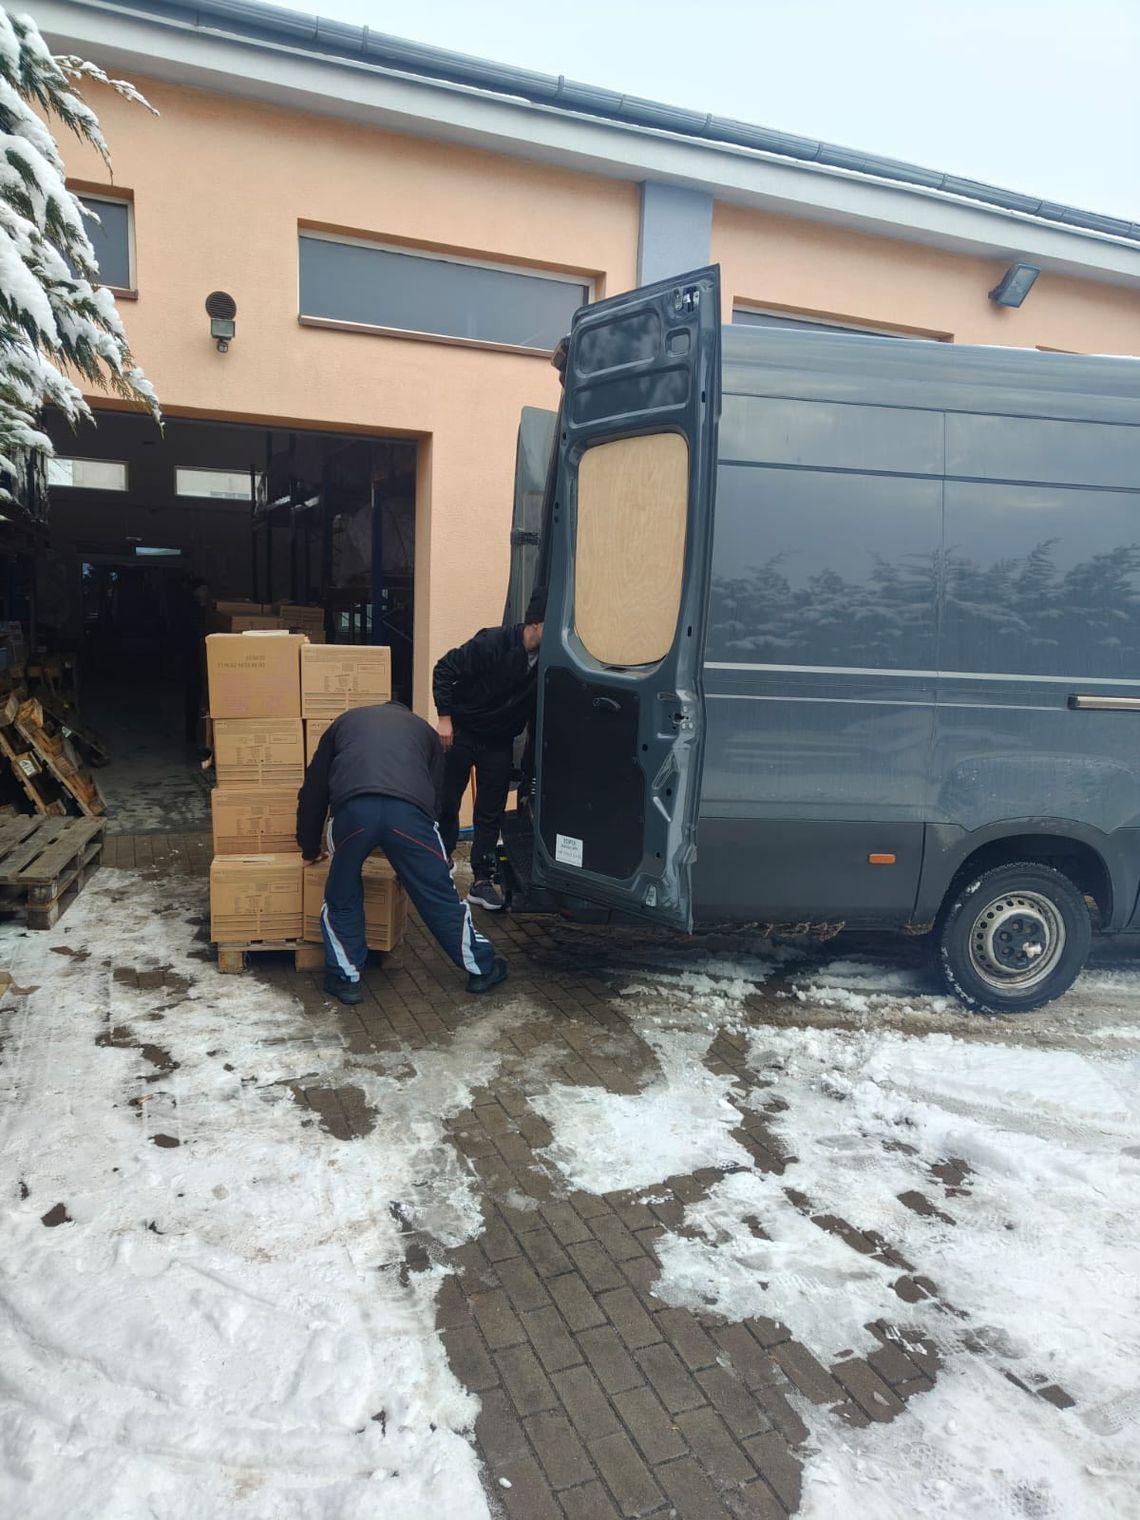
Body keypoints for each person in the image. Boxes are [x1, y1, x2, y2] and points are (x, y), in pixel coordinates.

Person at [296, 701, 507, 1005]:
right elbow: (437, 796)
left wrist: (309, 847)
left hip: (353, 813)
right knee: (438, 895)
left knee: (342, 892)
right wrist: (427, 853)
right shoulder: (424, 732)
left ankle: (346, 978)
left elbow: (314, 789)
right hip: (409, 816)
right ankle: (481, 969)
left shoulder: (343, 723)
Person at [433, 587, 546, 911]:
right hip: (463, 732)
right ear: (537, 624)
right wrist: (445, 720)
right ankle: (441, 862)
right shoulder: (492, 643)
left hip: (498, 740)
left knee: (490, 811)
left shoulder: (545, 662)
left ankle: (481, 881)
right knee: (447, 801)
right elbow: (444, 669)